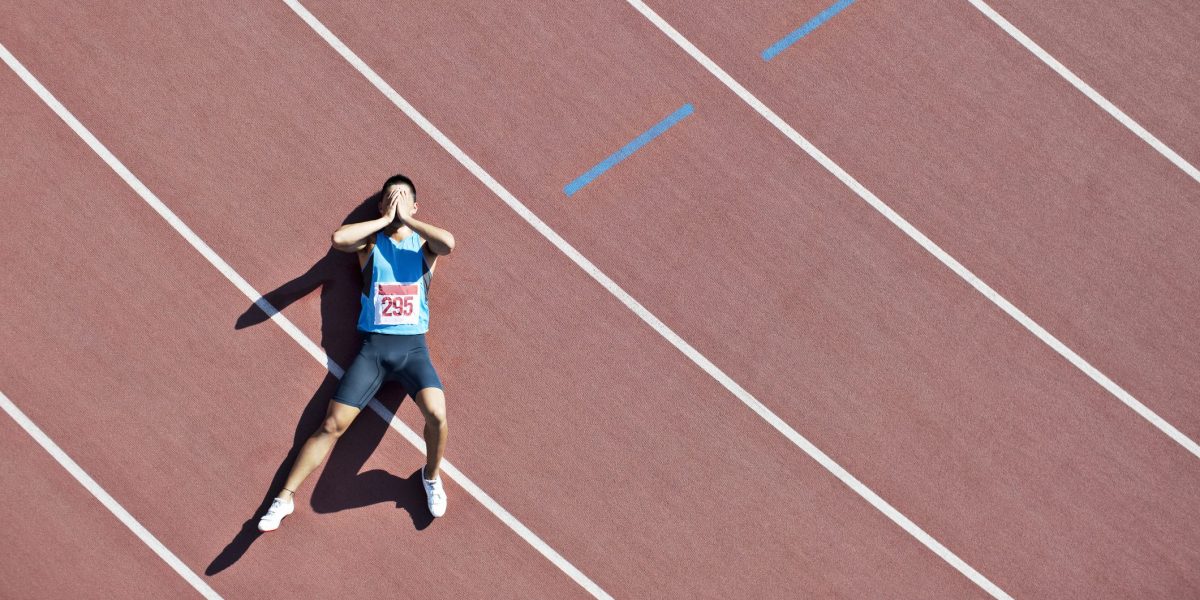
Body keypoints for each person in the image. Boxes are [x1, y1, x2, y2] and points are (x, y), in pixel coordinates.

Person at [258, 174, 455, 532]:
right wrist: (384, 219)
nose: (397, 206)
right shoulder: (369, 246)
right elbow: (338, 239)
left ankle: (430, 475)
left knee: (438, 416)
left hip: (413, 351)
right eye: (390, 200)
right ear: (381, 207)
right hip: (374, 352)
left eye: (404, 199)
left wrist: (407, 220)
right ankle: (282, 499)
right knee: (332, 425)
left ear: (415, 206)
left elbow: (449, 243)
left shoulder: (424, 248)